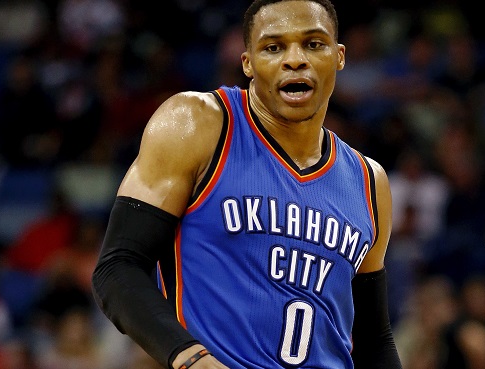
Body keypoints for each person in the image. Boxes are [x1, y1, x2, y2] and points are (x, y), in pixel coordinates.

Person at [91, 1, 402, 368]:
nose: (295, 59)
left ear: (339, 56)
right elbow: (117, 267)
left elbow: (373, 341)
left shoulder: (369, 181)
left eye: (314, 44)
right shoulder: (198, 124)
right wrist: (191, 359)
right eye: (273, 47)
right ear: (248, 63)